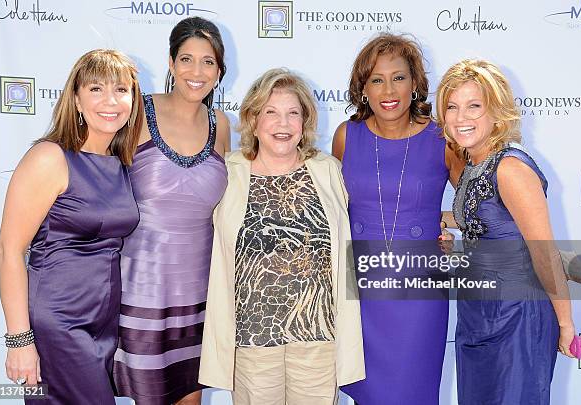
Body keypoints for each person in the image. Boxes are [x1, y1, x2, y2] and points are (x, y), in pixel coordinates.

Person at [198, 68, 365, 405]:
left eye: (293, 113)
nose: (283, 124)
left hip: (319, 340)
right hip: (251, 343)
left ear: (305, 121)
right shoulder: (227, 172)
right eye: (270, 113)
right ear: (253, 120)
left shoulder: (327, 169)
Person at [0, 49, 143, 404]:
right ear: (76, 99)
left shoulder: (120, 162)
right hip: (58, 321)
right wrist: (19, 340)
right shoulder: (50, 158)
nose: (111, 101)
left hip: (103, 321)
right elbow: (9, 251)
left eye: (121, 90)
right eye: (96, 89)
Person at [331, 33, 463, 404]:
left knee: (412, 391)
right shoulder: (346, 136)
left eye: (399, 77)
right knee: (367, 393)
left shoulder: (443, 139)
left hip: (418, 296)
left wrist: (444, 221)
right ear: (363, 88)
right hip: (359, 292)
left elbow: (479, 206)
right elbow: (333, 211)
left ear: (416, 83)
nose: (389, 89)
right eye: (377, 79)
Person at [435, 59, 575, 404]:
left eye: (474, 106)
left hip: (517, 319)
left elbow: (544, 253)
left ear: (496, 111)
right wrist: (441, 224)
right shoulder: (474, 162)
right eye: (451, 107)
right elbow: (488, 220)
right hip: (477, 317)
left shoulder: (510, 168)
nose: (460, 117)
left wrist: (566, 324)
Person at [112, 17, 230, 405]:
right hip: (139, 294)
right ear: (170, 62)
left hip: (198, 297)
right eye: (187, 59)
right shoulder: (135, 114)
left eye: (208, 62)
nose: (196, 72)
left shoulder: (223, 125)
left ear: (219, 70)